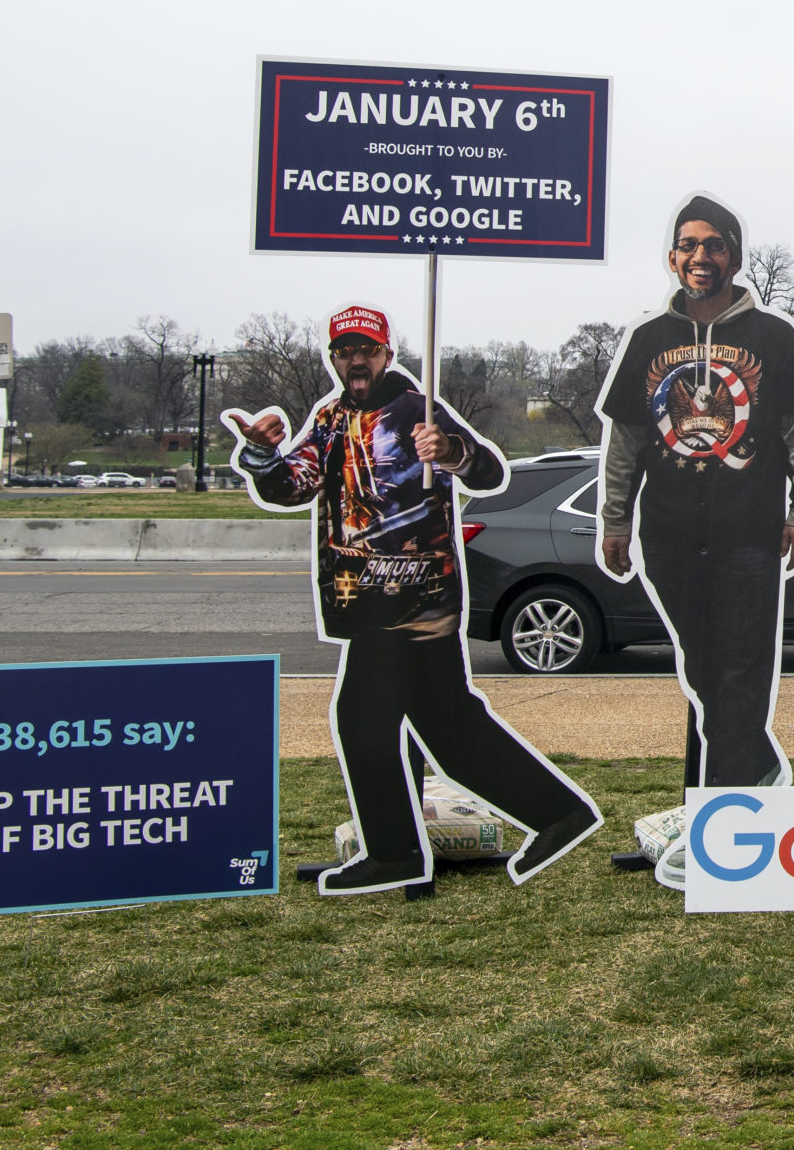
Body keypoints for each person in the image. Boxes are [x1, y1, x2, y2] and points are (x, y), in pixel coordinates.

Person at [226, 306, 602, 895]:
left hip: (414, 597)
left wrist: (449, 450)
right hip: (365, 597)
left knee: (363, 722)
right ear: (333, 358)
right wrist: (263, 456)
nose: (356, 359)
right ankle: (555, 815)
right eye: (345, 350)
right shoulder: (330, 416)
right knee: (449, 728)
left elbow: (488, 470)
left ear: (386, 354)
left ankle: (396, 854)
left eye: (367, 349)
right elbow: (290, 486)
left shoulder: (414, 408)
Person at [597, 194, 794, 793]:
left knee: (742, 671)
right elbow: (625, 440)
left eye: (714, 245)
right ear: (672, 259)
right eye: (689, 245)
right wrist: (614, 521)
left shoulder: (773, 336)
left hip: (749, 532)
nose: (701, 256)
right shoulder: (648, 339)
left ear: (735, 257)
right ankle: (754, 771)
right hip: (669, 534)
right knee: (702, 670)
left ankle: (729, 812)